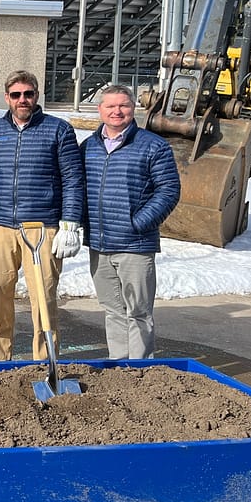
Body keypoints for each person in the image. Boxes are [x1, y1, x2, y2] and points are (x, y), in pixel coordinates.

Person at [0, 70, 84, 361]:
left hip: (42, 227)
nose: (23, 100)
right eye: (16, 95)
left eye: (28, 94)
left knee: (43, 298)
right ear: (7, 97)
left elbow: (72, 178)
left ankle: (45, 361)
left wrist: (70, 224)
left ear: (36, 96)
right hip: (0, 225)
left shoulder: (58, 130)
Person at [81, 85, 180, 359]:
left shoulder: (153, 146)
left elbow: (169, 190)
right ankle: (118, 365)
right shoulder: (88, 147)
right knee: (113, 309)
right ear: (100, 110)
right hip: (99, 245)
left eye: (123, 105)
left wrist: (139, 223)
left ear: (133, 108)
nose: (117, 111)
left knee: (138, 311)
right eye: (110, 106)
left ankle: (139, 370)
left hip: (135, 245)